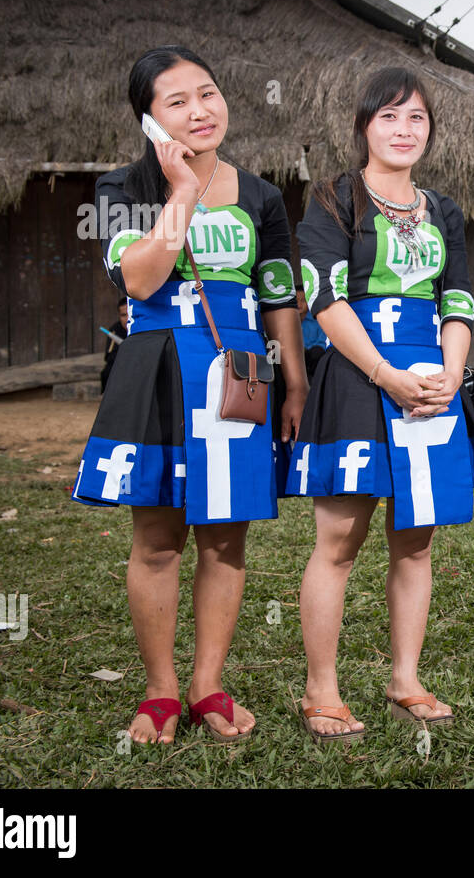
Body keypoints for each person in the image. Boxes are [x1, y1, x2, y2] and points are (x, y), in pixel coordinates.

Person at [73, 45, 307, 744]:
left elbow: (279, 302)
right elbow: (139, 281)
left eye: (207, 92)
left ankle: (207, 685)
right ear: (148, 119)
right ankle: (160, 690)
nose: (200, 111)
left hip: (236, 371)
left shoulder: (263, 197)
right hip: (157, 366)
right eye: (177, 102)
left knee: (226, 538)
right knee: (156, 537)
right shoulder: (121, 187)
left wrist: (293, 382)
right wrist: (180, 192)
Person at [289, 67, 474, 741]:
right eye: (389, 117)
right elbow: (323, 295)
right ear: (364, 125)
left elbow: (459, 297)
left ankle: (405, 677)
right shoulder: (332, 198)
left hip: (430, 384)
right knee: (339, 540)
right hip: (357, 376)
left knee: (416, 539)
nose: (403, 131)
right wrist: (385, 373)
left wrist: (451, 372)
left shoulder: (445, 208)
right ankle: (321, 690)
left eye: (416, 119)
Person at [296, 286, 328, 381]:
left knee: (317, 352)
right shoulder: (289, 321)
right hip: (295, 355)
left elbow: (321, 343)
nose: (299, 304)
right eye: (296, 300)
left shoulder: (316, 320)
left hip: (312, 357)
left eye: (303, 301)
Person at [100, 297, 128, 390]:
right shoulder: (115, 330)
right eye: (124, 315)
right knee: (107, 371)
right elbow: (109, 356)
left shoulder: (142, 328)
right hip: (122, 364)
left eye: (129, 314)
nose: (127, 318)